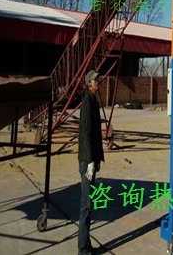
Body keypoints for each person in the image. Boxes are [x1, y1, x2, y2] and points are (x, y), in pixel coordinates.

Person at [78, 70, 104, 255]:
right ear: (89, 83)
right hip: (87, 160)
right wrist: (89, 161)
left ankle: (86, 245)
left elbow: (95, 135)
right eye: (95, 80)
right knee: (86, 205)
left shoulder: (93, 100)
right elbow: (86, 132)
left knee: (89, 204)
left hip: (91, 158)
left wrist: (97, 159)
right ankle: (82, 249)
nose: (98, 82)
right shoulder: (87, 101)